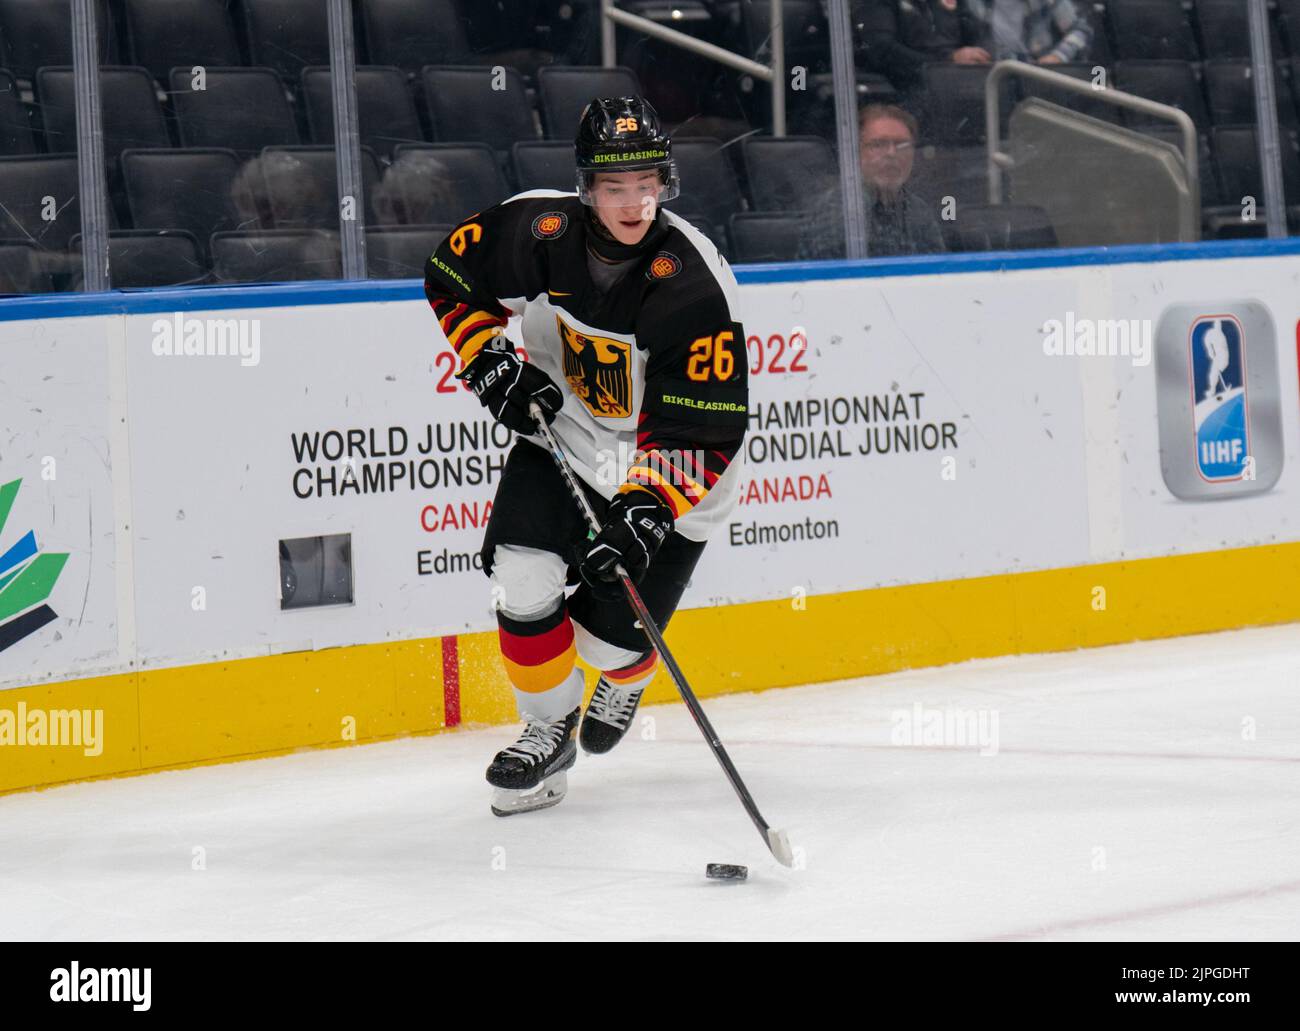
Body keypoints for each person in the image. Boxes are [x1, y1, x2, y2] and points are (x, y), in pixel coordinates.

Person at [423, 96, 748, 816]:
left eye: (647, 185)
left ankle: (625, 675)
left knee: (607, 645)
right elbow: (451, 275)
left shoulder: (693, 282)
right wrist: (487, 361)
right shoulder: (537, 230)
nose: (634, 203)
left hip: (671, 475)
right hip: (564, 437)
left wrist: (644, 510)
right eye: (613, 187)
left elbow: (702, 432)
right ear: (584, 189)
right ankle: (547, 733)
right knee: (521, 576)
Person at [799, 103, 946, 260]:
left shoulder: (919, 211)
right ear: (856, 153)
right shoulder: (837, 210)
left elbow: (940, 274)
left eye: (902, 144)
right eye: (878, 144)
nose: (891, 153)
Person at [960, 0, 1093, 65]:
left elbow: (1081, 31)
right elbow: (947, 39)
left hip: (1044, 81)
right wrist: (955, 54)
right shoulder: (971, 3)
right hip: (991, 82)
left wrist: (1057, 56)